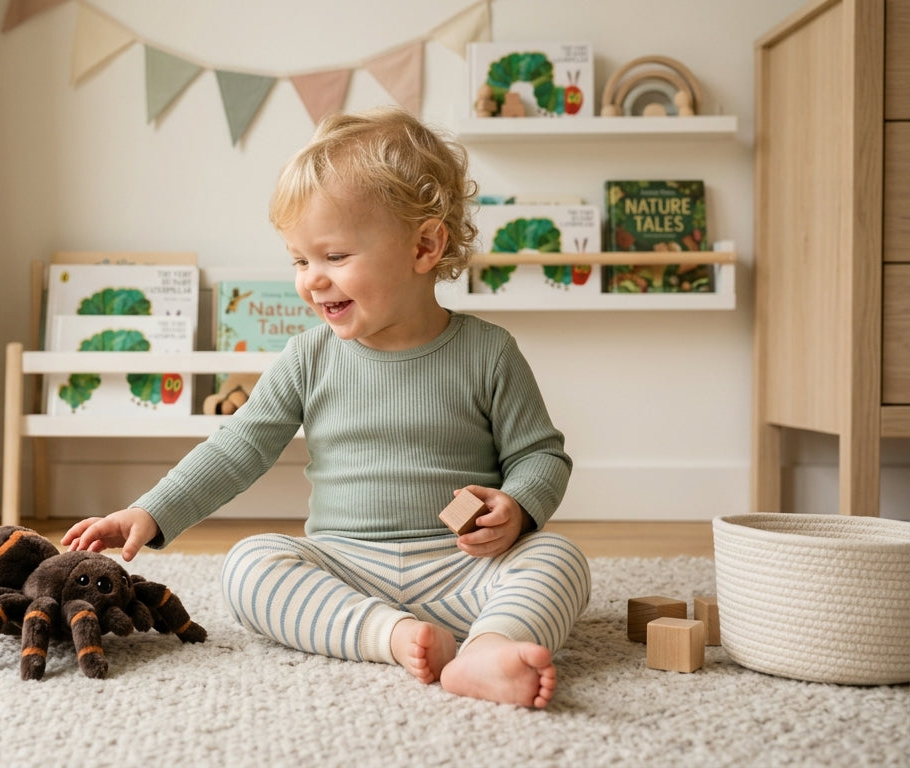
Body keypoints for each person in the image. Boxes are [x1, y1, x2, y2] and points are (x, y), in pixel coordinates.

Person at [63, 106, 591, 708]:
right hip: (345, 568)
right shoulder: (308, 356)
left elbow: (541, 456)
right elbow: (239, 448)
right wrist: (150, 512)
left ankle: (487, 649)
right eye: (300, 260)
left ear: (424, 245)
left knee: (559, 558)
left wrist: (519, 505)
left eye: (335, 257)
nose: (312, 280)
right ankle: (390, 636)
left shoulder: (488, 352)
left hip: (464, 568)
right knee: (249, 565)